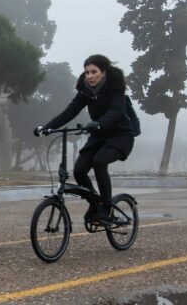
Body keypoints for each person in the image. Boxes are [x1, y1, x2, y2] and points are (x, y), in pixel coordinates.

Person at [35, 54, 136, 226]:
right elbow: (71, 111)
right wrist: (46, 127)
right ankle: (95, 204)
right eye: (87, 72)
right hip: (98, 136)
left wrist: (99, 124)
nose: (89, 76)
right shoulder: (85, 90)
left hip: (120, 136)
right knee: (79, 171)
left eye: (94, 72)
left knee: (99, 161)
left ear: (103, 72)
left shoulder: (115, 88)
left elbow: (117, 111)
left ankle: (106, 208)